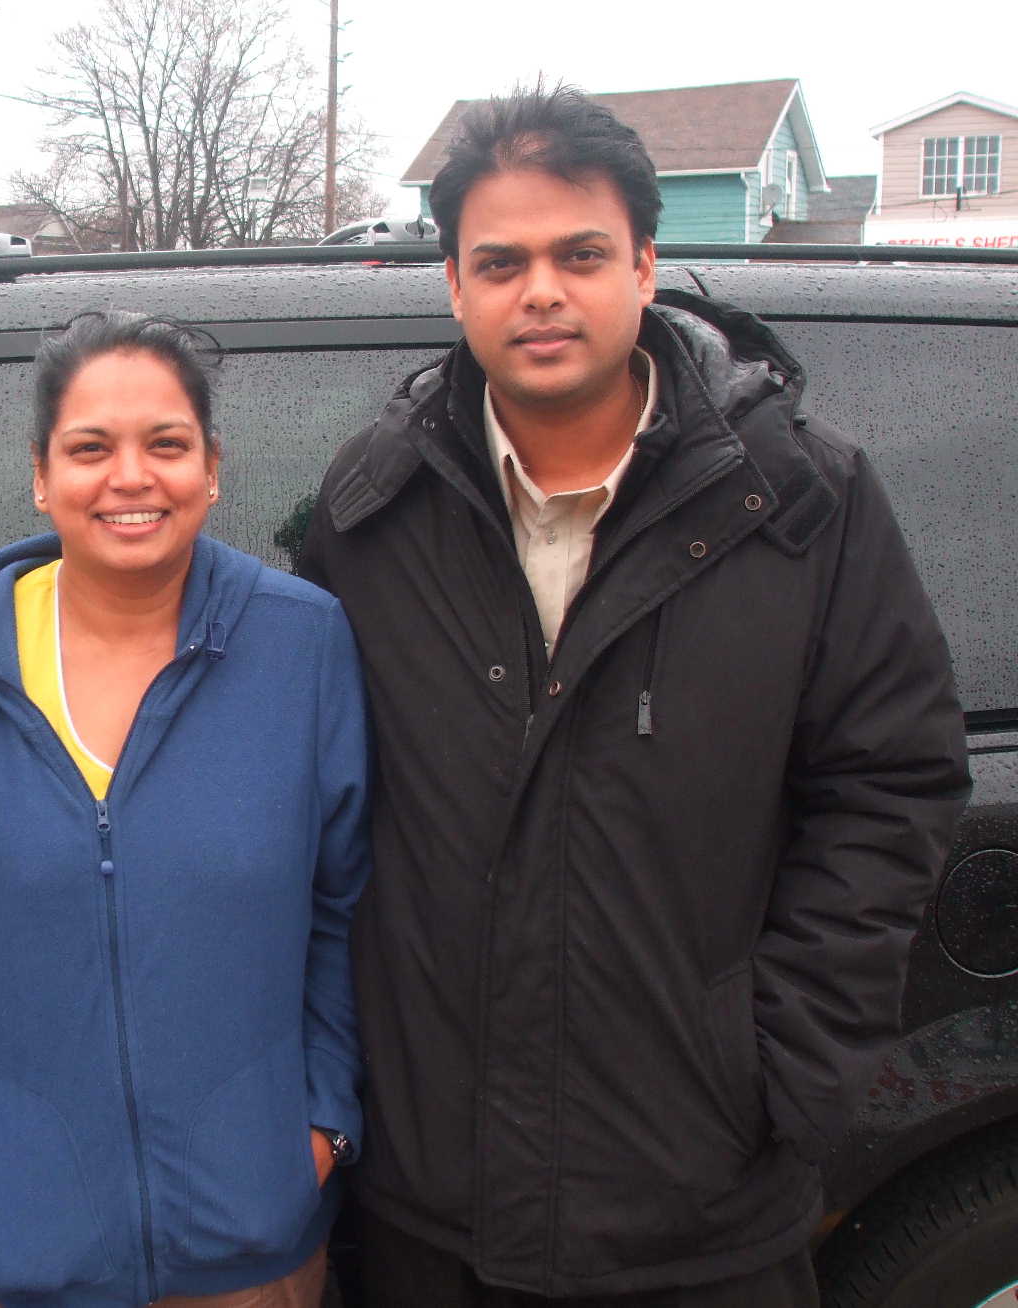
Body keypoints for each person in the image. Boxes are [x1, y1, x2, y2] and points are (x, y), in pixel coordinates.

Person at [299, 86, 970, 1306]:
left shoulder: (798, 504)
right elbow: (301, 801)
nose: (540, 290)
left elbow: (894, 781)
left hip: (700, 1214)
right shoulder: (371, 513)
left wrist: (782, 1067)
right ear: (452, 284)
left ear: (646, 266)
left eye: (579, 254)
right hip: (431, 1212)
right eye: (499, 261)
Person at [0, 311, 371, 1307]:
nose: (130, 476)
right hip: (15, 1252)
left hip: (255, 1243)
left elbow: (351, 907)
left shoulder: (302, 648)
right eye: (89, 448)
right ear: (42, 475)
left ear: (211, 467)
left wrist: (314, 1126)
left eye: (165, 444)